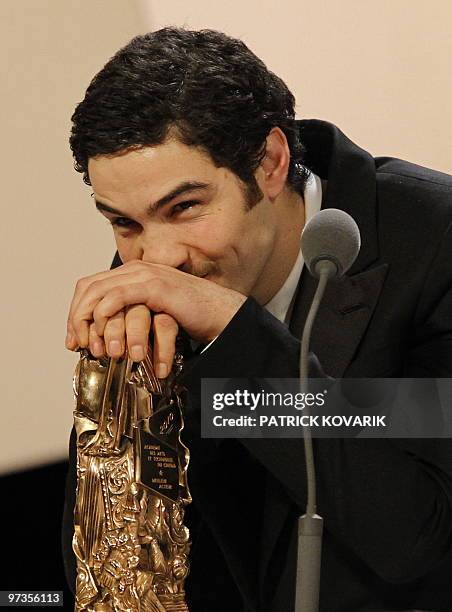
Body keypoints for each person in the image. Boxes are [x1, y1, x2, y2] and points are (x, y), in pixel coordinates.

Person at [62, 27, 452, 611]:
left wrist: (235, 335)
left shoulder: (436, 240)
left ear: (270, 162)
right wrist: (117, 403)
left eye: (185, 208)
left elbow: (415, 530)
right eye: (124, 223)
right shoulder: (153, 273)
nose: (158, 257)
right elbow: (107, 562)